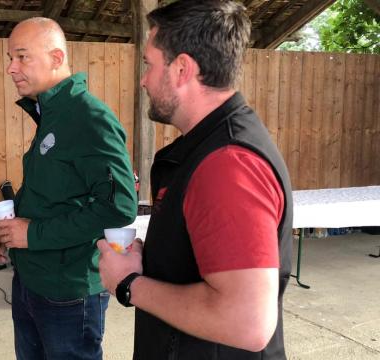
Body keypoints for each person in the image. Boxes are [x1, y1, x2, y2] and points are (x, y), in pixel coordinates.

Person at [97, 1, 293, 359]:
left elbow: (247, 323)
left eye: (149, 64)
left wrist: (129, 285)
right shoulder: (204, 147)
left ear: (182, 68)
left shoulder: (227, 164)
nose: (143, 79)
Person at [0, 17, 138, 360]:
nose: (11, 68)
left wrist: (35, 234)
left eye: (22, 57)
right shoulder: (51, 113)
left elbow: (118, 207)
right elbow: (55, 192)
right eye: (10, 58)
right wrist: (14, 231)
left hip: (68, 292)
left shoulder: (89, 117)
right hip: (31, 280)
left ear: (57, 59)